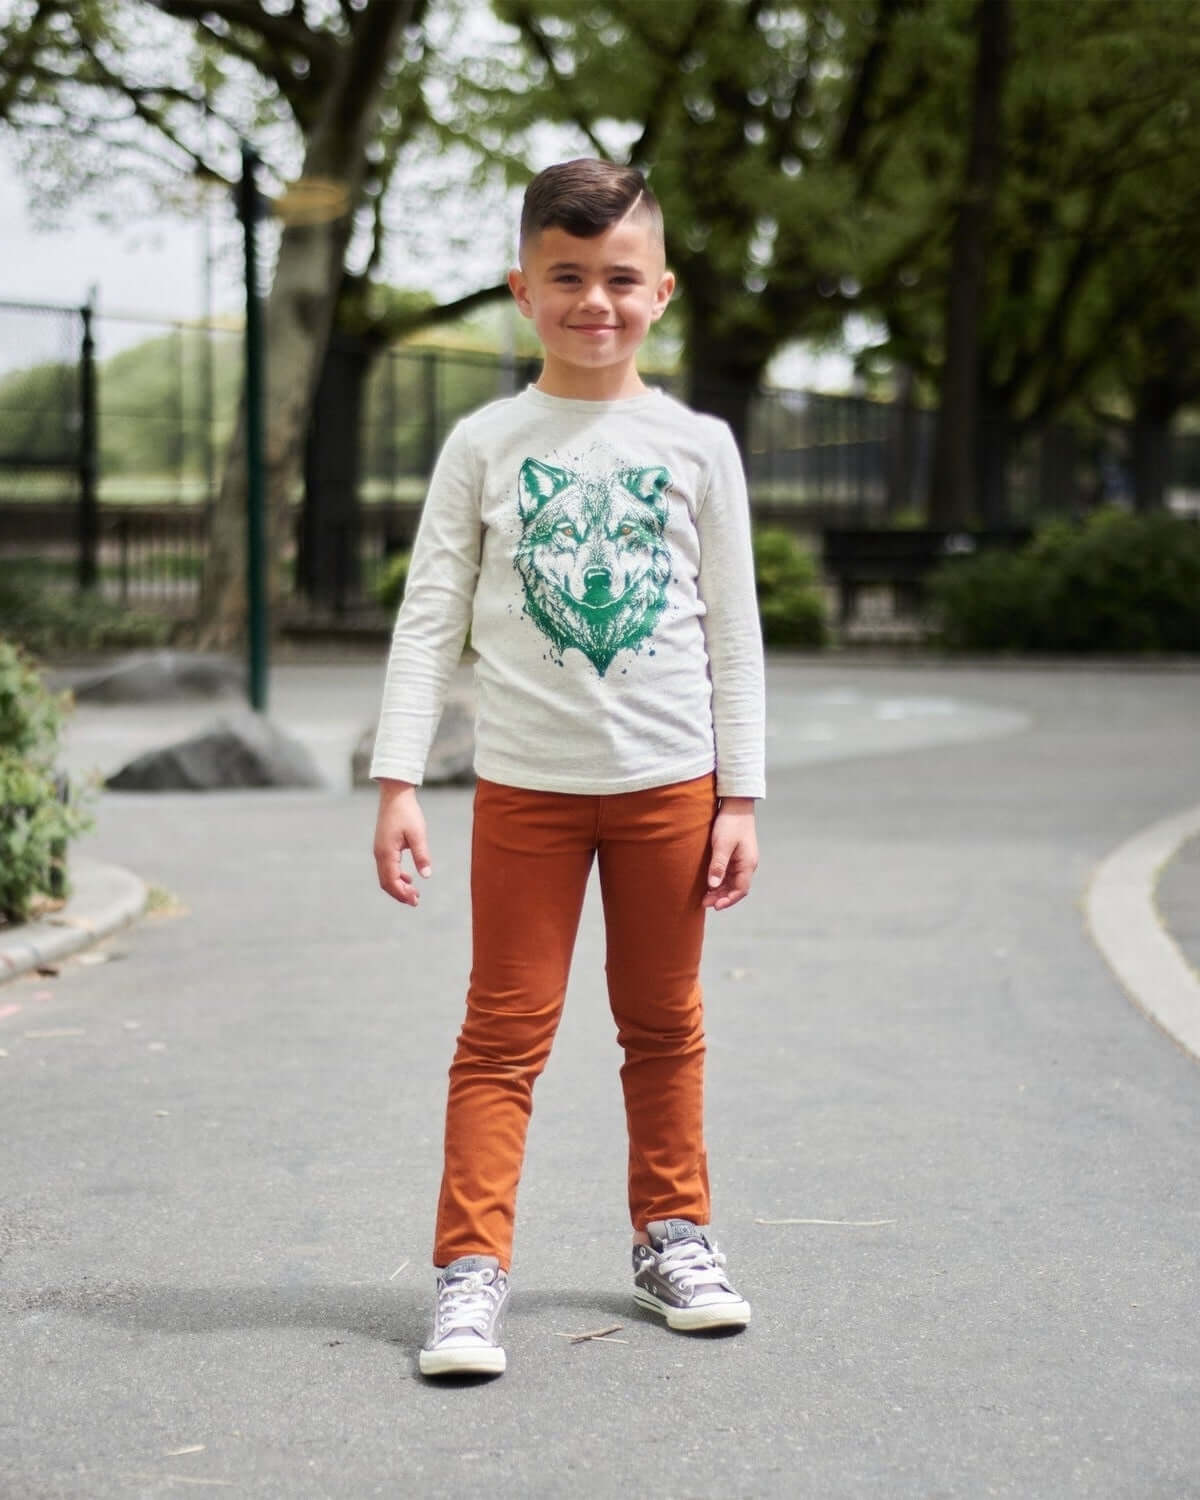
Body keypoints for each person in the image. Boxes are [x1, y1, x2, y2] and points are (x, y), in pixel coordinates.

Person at [370, 158, 766, 1379]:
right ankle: (470, 1274)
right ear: (522, 288)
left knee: (663, 1024)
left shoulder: (696, 446)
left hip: (670, 785)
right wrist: (397, 780)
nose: (595, 300)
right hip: (525, 792)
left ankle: (675, 1240)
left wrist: (740, 795)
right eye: (568, 277)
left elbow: (734, 630)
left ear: (663, 292)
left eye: (620, 279)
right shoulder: (487, 442)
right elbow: (430, 614)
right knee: (503, 1033)